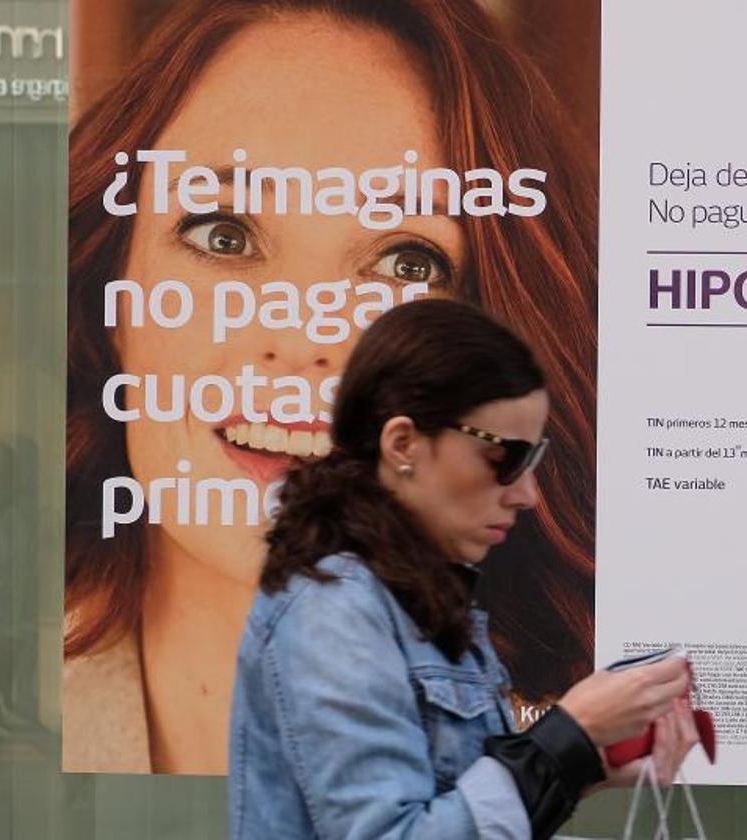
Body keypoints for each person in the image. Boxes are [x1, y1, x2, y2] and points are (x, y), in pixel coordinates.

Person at [65, 0, 597, 772]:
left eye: (407, 264)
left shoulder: (591, 758)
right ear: (111, 292)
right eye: (224, 235)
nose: (302, 340)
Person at [230, 299, 697, 839]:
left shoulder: (421, 599)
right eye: (506, 459)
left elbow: (457, 809)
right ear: (402, 443)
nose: (527, 494)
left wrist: (579, 763)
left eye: (535, 461)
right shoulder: (336, 608)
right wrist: (567, 738)